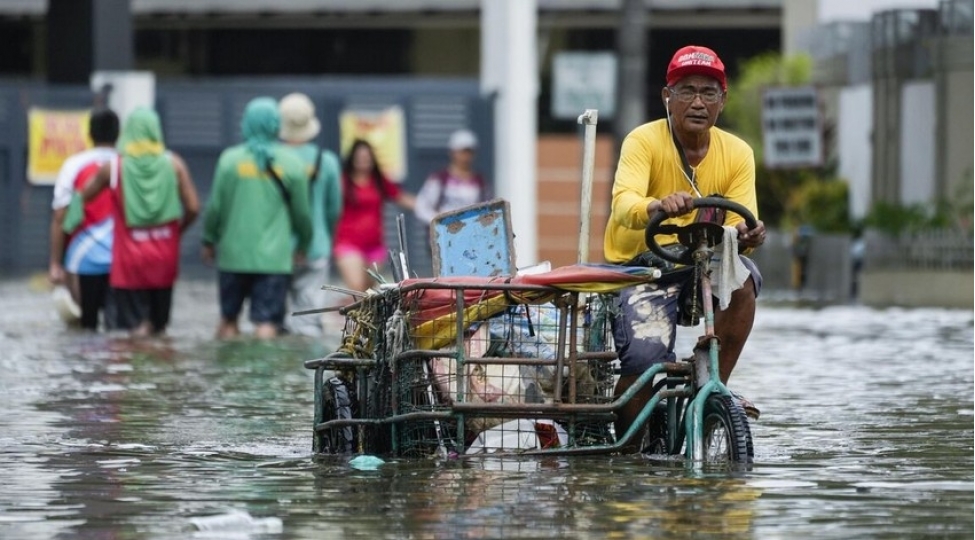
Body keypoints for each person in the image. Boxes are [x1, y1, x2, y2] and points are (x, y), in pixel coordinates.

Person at [603, 45, 768, 441]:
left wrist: (750, 237)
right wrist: (656, 205)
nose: (698, 102)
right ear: (667, 98)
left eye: (709, 93)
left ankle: (711, 388)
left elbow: (739, 223)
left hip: (700, 266)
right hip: (640, 268)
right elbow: (623, 203)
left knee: (744, 279)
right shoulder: (643, 141)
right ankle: (628, 451)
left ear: (722, 101)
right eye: (687, 91)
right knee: (644, 359)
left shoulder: (738, 153)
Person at [82, 107, 200, 337]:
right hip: (164, 257)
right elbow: (194, 207)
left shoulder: (115, 167)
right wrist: (178, 230)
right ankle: (159, 370)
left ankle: (135, 369)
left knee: (132, 330)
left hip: (130, 261)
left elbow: (84, 195)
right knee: (160, 328)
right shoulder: (174, 164)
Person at [202, 97, 313, 339]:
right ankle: (264, 372)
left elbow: (215, 208)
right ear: (276, 125)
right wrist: (304, 245)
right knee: (266, 323)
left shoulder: (229, 160)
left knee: (228, 319)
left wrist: (209, 240)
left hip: (233, 256)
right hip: (273, 260)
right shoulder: (293, 164)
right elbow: (302, 214)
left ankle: (228, 371)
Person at [48, 107, 120, 331]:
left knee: (84, 329)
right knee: (117, 333)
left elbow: (60, 217)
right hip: (121, 261)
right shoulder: (126, 163)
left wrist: (55, 263)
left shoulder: (73, 165)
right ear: (118, 134)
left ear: (89, 134)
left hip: (82, 261)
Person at [277, 92, 342, 337]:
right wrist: (324, 235)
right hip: (316, 246)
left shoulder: (273, 159)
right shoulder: (326, 161)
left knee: (272, 323)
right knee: (309, 321)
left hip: (276, 250)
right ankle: (307, 375)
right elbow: (333, 208)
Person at [333, 139, 415, 295]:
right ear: (352, 159)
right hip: (348, 243)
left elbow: (401, 197)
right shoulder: (342, 182)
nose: (363, 160)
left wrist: (429, 210)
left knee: (369, 292)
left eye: (367, 157)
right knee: (357, 288)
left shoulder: (378, 181)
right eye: (359, 157)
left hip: (374, 246)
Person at [413, 128, 488, 225]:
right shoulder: (439, 179)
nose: (466, 156)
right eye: (462, 152)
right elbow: (421, 207)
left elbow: (487, 209)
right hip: (443, 235)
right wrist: (440, 221)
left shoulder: (480, 182)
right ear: (452, 152)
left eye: (469, 152)